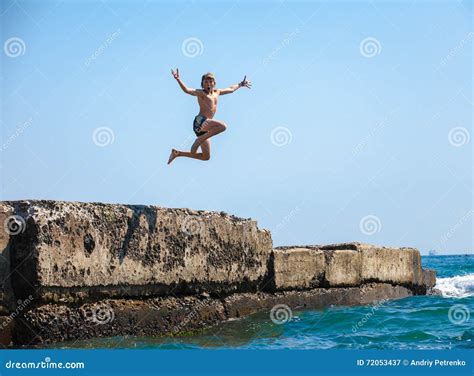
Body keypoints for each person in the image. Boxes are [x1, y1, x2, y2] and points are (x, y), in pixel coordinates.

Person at [167, 69, 251, 164]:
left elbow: (231, 89)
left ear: (214, 83)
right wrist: (178, 79)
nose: (208, 83)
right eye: (206, 82)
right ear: (202, 84)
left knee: (206, 157)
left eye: (210, 81)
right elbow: (187, 90)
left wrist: (241, 84)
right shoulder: (201, 93)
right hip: (200, 121)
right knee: (223, 126)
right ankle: (199, 140)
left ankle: (177, 153)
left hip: (206, 127)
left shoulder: (217, 92)